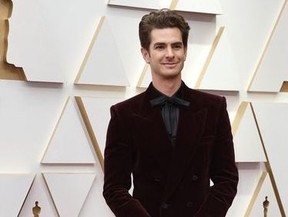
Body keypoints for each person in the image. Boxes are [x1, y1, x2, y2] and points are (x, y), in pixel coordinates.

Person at [103, 9, 238, 217]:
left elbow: (227, 179)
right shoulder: (124, 115)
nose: (170, 54)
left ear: (185, 51)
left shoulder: (214, 108)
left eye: (177, 46)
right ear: (146, 54)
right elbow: (114, 188)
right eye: (160, 47)